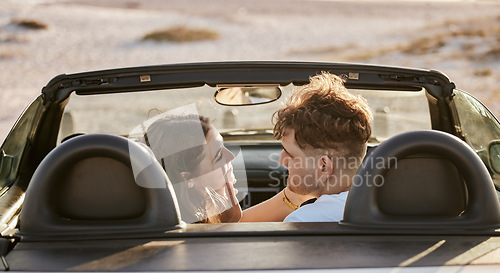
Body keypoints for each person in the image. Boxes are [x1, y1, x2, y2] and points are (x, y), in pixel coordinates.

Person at [242, 71, 372, 222]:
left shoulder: (303, 221)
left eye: (290, 155)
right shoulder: (391, 206)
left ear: (324, 166)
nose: (282, 161)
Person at [143, 114, 241, 224]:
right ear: (187, 178)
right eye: (218, 156)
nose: (231, 156)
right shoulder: (187, 228)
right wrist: (229, 224)